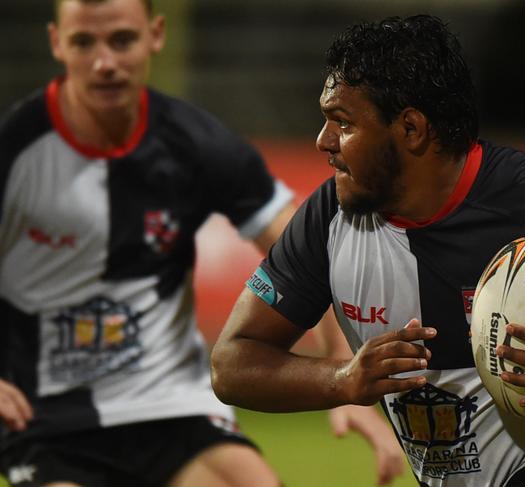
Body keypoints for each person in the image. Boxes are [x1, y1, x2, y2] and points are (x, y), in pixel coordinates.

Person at [211, 14, 525, 487]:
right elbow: (233, 363)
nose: (324, 142)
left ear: (412, 129)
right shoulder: (330, 219)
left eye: (343, 122)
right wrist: (343, 379)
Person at [0, 0, 404, 486]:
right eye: (84, 42)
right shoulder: (17, 150)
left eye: (122, 40)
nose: (105, 62)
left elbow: (307, 250)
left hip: (170, 408)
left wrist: (341, 376)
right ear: (56, 43)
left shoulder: (196, 142)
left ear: (155, 35)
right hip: (51, 420)